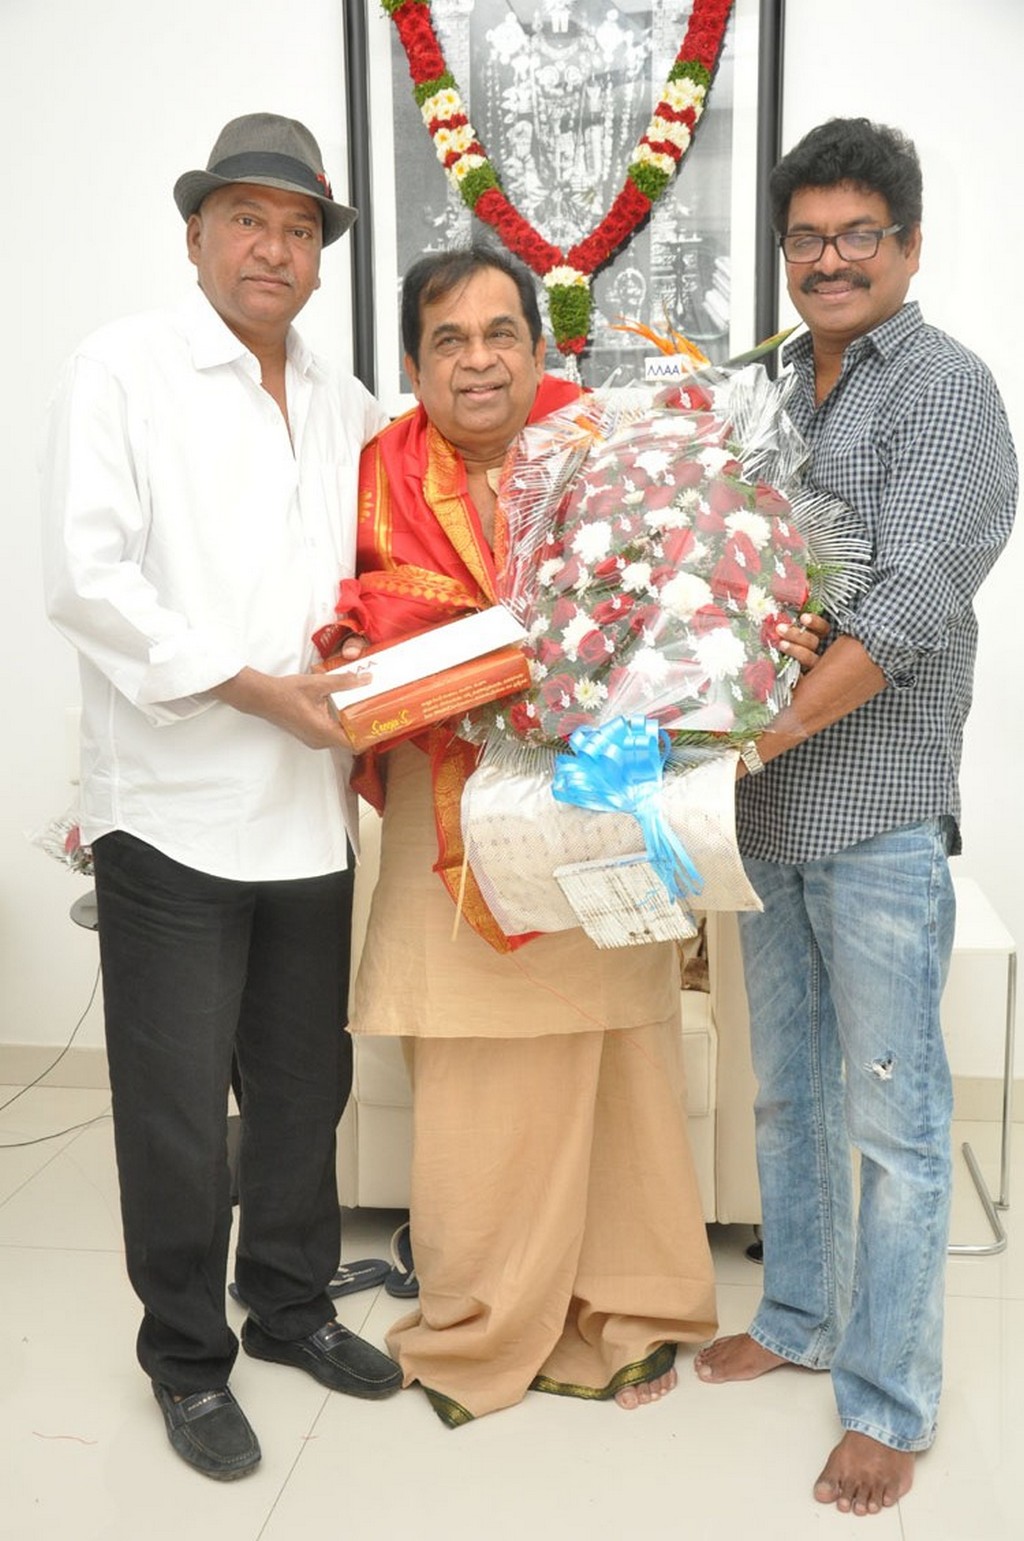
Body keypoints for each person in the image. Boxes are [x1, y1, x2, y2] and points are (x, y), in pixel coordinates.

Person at [322, 244, 823, 1428]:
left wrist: (763, 630)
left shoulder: (613, 445)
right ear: (413, 366)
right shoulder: (373, 473)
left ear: (540, 350)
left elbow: (702, 584)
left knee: (617, 1054)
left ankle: (629, 1304)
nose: (478, 361)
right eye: (449, 341)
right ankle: (482, 1315)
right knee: (471, 1064)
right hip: (445, 805)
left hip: (597, 794)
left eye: (500, 334)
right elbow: (340, 615)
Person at [41, 112, 401, 1482]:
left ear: (320, 255)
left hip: (309, 811)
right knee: (180, 1114)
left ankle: (290, 1307)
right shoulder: (122, 368)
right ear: (194, 233)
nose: (273, 247)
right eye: (247, 218)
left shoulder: (342, 397)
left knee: (305, 1092)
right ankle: (187, 1359)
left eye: (299, 228)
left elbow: (388, 568)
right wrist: (258, 689)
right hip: (172, 810)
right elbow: (90, 583)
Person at [692, 118, 1017, 1517]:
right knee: (787, 1088)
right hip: (763, 814)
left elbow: (908, 606)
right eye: (806, 239)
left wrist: (750, 736)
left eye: (856, 236)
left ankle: (889, 1398)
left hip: (876, 811)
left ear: (909, 245)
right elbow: (706, 569)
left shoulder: (947, 390)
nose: (829, 261)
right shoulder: (763, 390)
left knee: (892, 1115)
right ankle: (798, 1317)